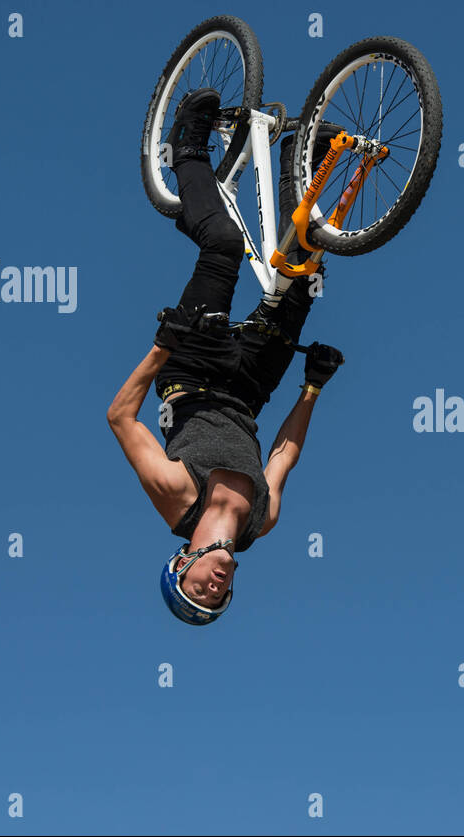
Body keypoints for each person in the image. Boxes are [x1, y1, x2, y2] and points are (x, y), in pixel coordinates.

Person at [107, 88, 344, 626]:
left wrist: (164, 343)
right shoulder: (262, 521)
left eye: (198, 592)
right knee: (304, 279)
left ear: (179, 565)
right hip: (249, 390)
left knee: (223, 244)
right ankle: (299, 163)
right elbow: (282, 457)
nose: (214, 588)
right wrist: (313, 388)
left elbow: (119, 416)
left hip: (190, 369)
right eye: (217, 599)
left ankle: (187, 148)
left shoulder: (176, 495)